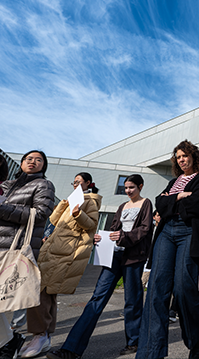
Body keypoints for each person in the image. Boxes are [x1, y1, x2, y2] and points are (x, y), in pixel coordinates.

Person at [47, 175, 153, 359]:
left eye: (132, 187)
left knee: (133, 301)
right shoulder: (122, 207)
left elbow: (144, 230)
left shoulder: (146, 204)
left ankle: (134, 341)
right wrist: (102, 237)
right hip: (114, 256)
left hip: (134, 258)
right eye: (126, 187)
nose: (128, 191)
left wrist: (122, 237)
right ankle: (71, 349)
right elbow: (113, 228)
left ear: (140, 186)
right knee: (96, 299)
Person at [137, 141, 199, 359]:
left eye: (185, 155)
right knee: (157, 290)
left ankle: (196, 336)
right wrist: (177, 197)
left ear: (193, 157)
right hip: (166, 232)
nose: (181, 160)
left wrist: (170, 204)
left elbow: (197, 206)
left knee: (182, 287)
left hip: (188, 232)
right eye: (178, 157)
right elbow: (159, 203)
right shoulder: (173, 182)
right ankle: (151, 353)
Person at [19, 174, 101, 358]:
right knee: (47, 292)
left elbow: (91, 225)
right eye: (74, 182)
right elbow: (55, 221)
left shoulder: (91, 201)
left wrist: (78, 213)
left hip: (66, 253)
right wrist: (64, 205)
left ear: (88, 184)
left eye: (80, 182)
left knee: (40, 291)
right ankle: (44, 336)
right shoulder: (72, 199)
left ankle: (40, 335)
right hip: (52, 250)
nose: (76, 184)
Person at [0, 151, 55, 359]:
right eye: (28, 159)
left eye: (38, 160)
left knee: (6, 299)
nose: (32, 162)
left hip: (15, 248)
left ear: (44, 166)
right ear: (21, 163)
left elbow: (41, 214)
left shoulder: (44, 185)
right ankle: (9, 341)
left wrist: (3, 209)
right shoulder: (7, 185)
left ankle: (9, 341)